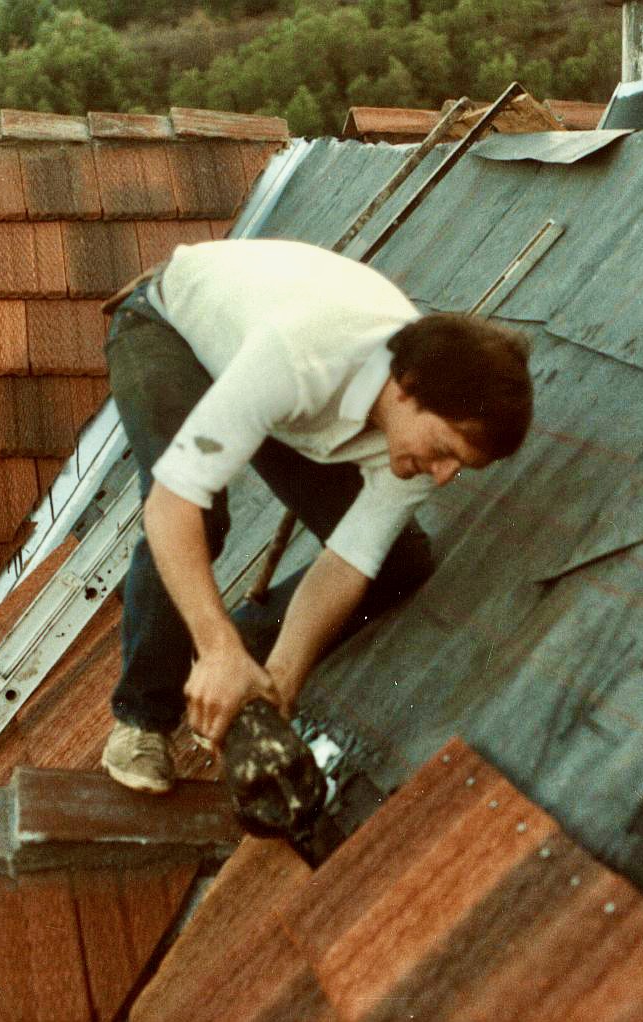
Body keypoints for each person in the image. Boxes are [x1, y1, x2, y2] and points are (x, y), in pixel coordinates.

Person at [100, 238, 532, 794]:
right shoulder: (301, 354)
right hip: (174, 333)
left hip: (280, 400)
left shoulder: (411, 433)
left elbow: (349, 563)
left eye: (461, 467)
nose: (444, 476)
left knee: (396, 567)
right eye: (446, 450)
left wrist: (278, 686)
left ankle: (232, 671)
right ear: (408, 390)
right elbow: (171, 505)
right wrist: (218, 647)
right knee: (199, 517)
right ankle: (143, 716)